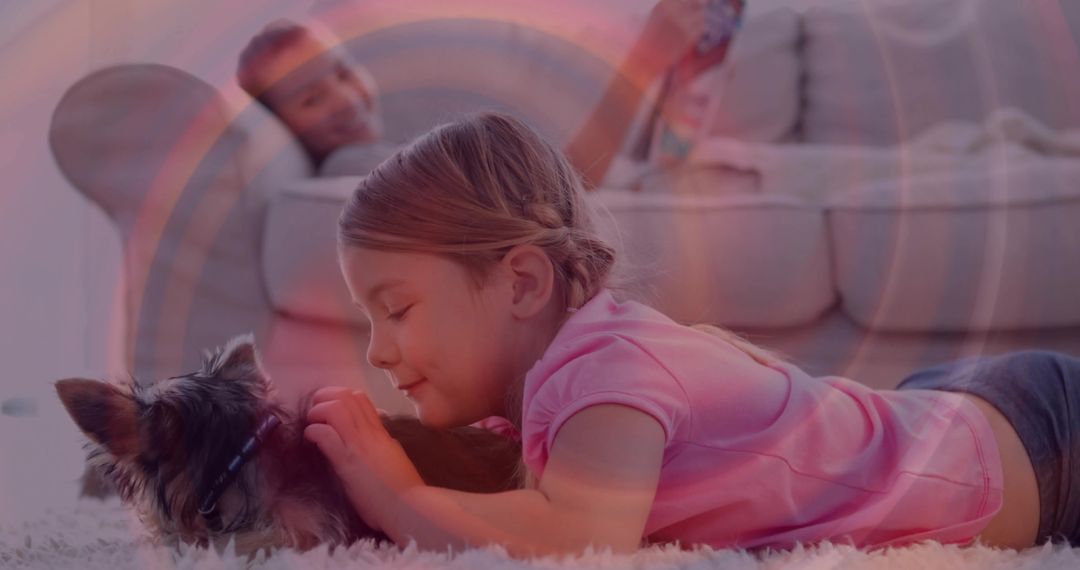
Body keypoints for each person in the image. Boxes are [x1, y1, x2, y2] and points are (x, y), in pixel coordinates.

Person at [301, 111, 1080, 556]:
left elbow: (580, 538)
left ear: (523, 284)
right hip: (943, 410)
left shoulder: (604, 372)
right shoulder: (551, 392)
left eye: (396, 309)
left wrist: (400, 497)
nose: (377, 350)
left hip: (1043, 448)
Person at [236, 0, 717, 187]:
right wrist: (645, 61)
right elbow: (561, 186)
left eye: (344, 73)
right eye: (311, 99)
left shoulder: (382, 153)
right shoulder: (352, 170)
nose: (345, 99)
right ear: (282, 126)